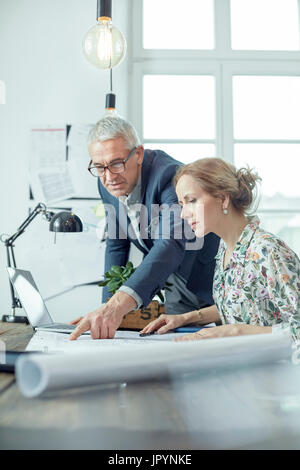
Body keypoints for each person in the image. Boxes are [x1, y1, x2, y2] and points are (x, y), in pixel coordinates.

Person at [69, 116, 220, 340]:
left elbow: (170, 242)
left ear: (138, 153)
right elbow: (116, 245)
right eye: (100, 167)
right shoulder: (106, 184)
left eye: (116, 163)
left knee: (200, 346)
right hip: (166, 273)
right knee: (174, 343)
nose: (109, 176)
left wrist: (116, 308)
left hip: (197, 274)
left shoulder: (170, 176)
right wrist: (105, 311)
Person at [140, 157, 300, 345]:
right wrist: (186, 318)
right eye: (182, 205)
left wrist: (235, 330)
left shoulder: (267, 250)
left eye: (191, 201)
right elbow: (243, 304)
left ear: (223, 199)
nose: (183, 214)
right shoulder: (224, 249)